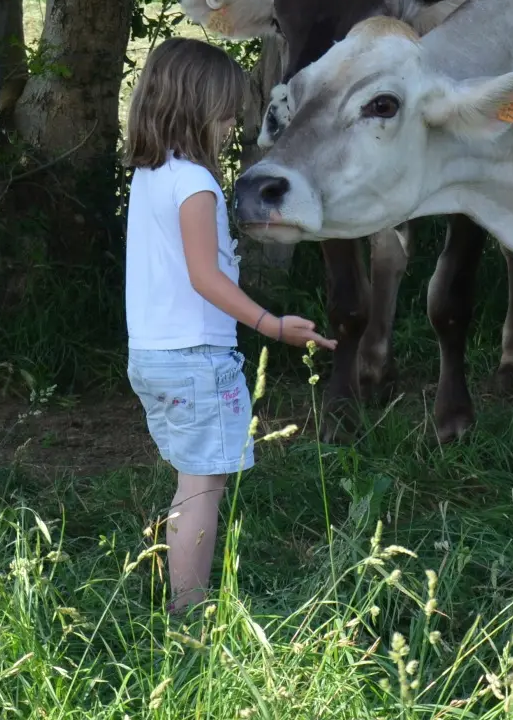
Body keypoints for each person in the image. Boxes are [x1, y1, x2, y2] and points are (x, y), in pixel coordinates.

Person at [124, 38, 336, 612]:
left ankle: (180, 597)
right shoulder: (195, 184)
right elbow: (203, 277)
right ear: (198, 107)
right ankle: (190, 615)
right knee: (202, 491)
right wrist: (271, 324)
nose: (229, 124)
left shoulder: (152, 175)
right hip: (195, 360)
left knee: (190, 482)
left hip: (153, 355)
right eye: (224, 111)